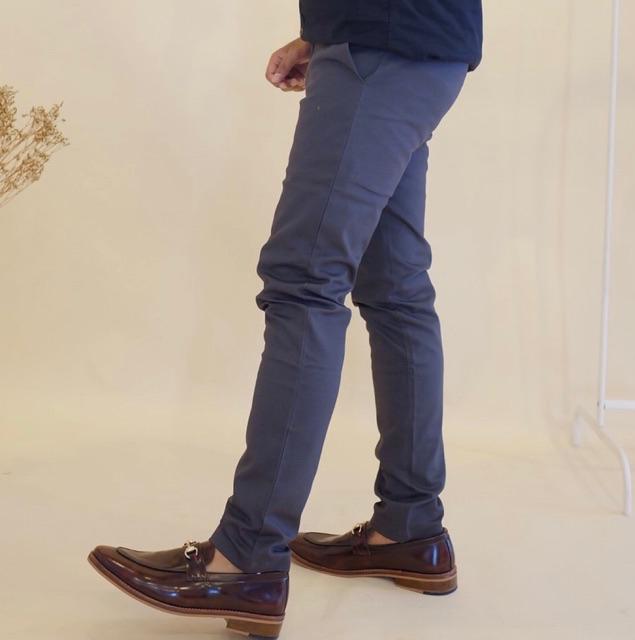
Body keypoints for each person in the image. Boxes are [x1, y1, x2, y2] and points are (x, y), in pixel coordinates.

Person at [88, 2, 483, 637]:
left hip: (379, 44)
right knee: (394, 288)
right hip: (422, 42)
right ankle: (409, 528)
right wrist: (322, 29)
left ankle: (247, 556)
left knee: (306, 281)